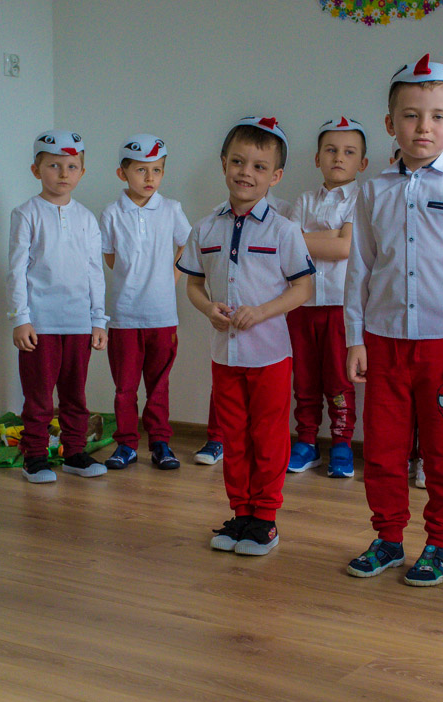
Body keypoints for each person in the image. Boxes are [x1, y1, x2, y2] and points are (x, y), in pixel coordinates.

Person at [344, 55, 443, 586]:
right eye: (410, 115)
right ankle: (387, 538)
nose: (422, 127)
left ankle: (441, 544)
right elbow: (360, 267)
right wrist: (355, 337)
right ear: (391, 123)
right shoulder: (372, 191)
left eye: (436, 116)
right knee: (383, 449)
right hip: (383, 342)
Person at [179, 116, 314, 556]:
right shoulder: (204, 228)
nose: (246, 173)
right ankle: (240, 513)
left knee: (268, 438)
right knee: (233, 438)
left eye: (259, 166)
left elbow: (303, 288)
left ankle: (265, 520)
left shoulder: (284, 230)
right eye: (238, 162)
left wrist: (262, 312)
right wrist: (208, 309)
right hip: (225, 355)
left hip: (270, 356)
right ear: (223, 164)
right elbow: (193, 284)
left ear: (275, 176)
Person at [8, 129, 108, 483]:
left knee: (75, 395)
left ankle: (75, 453)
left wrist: (99, 320)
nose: (64, 173)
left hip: (79, 323)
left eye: (72, 166)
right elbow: (17, 269)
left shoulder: (87, 218)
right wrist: (20, 318)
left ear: (82, 172)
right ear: (36, 170)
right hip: (40, 324)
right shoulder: (26, 214)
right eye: (54, 165)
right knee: (38, 397)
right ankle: (34, 457)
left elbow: (95, 271)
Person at [100, 135, 191, 471]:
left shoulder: (171, 209)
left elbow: (187, 244)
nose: (150, 178)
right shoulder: (111, 213)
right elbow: (110, 256)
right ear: (122, 173)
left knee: (159, 385)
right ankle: (126, 445)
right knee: (125, 387)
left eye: (157, 170)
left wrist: (171, 277)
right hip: (124, 317)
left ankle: (160, 443)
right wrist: (133, 277)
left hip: (162, 316)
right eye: (141, 170)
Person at [285, 117, 367, 478]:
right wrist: (332, 236)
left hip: (341, 307)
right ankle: (305, 442)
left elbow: (345, 248)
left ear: (362, 163)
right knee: (304, 380)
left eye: (349, 152)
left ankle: (342, 444)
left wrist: (326, 239)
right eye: (331, 150)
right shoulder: (304, 200)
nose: (339, 157)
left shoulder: (363, 199)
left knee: (339, 380)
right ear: (317, 158)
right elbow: (286, 247)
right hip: (300, 305)